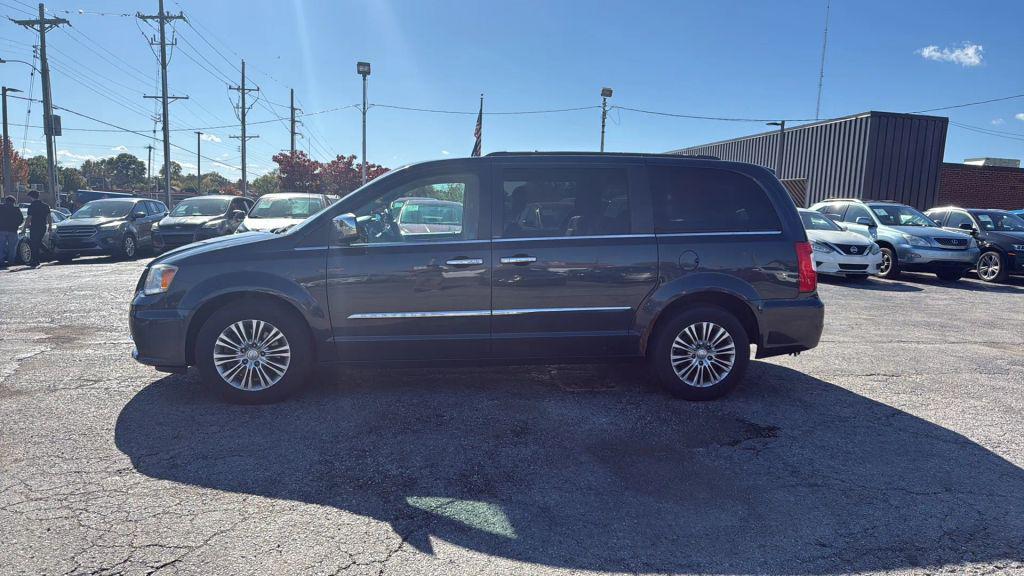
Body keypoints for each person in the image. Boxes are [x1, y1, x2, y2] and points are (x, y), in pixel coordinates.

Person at [23, 190, 52, 267]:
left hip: (34, 227)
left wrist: (24, 229)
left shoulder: (32, 206)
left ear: (31, 197)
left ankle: (36, 260)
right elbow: (49, 217)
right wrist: (50, 226)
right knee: (38, 242)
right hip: (43, 226)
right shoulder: (45, 205)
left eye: (29, 197)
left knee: (34, 243)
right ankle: (47, 254)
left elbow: (29, 218)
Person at [0, 195, 23, 268]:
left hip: (1, 230)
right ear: (13, 202)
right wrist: (16, 225)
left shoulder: (1, 208)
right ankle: (11, 261)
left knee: (1, 246)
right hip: (13, 230)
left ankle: (1, 261)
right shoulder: (16, 209)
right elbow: (21, 219)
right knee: (12, 247)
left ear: (6, 201)